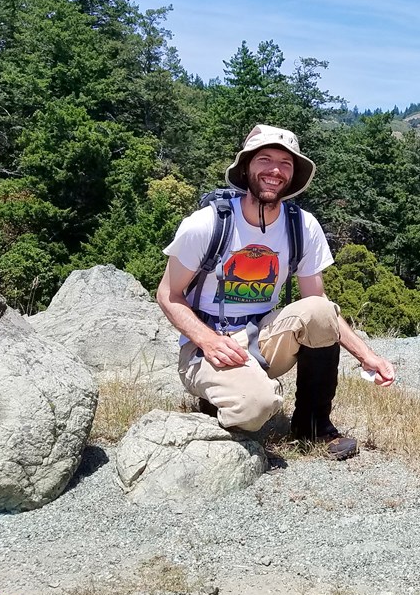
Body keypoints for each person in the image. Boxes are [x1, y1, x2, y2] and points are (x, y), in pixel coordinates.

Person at [156, 124, 396, 460]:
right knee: (257, 407)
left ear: (293, 175)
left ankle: (314, 426)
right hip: (207, 343)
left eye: (285, 163)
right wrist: (208, 341)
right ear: (245, 168)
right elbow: (168, 294)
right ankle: (219, 399)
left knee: (320, 310)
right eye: (264, 159)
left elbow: (319, 307)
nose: (274, 170)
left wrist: (368, 357)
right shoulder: (206, 224)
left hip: (264, 335)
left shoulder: (302, 226)